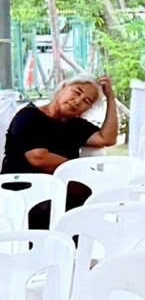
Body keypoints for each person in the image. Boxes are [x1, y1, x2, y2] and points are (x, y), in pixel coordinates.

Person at [3, 74, 118, 229]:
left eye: (86, 101)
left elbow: (107, 138)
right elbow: (38, 158)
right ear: (63, 87)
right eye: (77, 92)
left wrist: (110, 98)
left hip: (59, 196)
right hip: (24, 195)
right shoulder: (28, 116)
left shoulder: (75, 125)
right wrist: (77, 169)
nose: (77, 101)